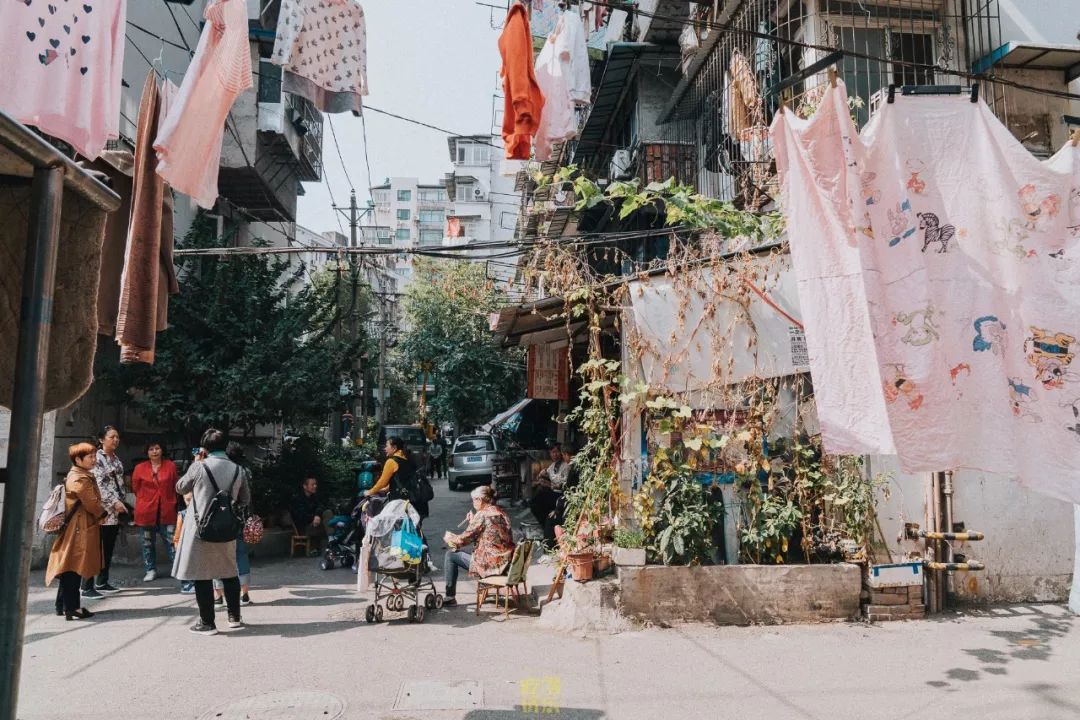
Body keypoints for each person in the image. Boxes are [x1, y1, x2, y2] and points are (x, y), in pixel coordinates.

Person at [173, 428, 251, 636]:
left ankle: (207, 623)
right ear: (225, 446)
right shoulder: (237, 470)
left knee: (202, 575)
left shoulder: (199, 467)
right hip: (226, 528)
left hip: (200, 529)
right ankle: (234, 617)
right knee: (229, 572)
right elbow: (245, 500)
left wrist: (195, 462)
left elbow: (180, 487)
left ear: (205, 448)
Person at [47, 443, 107, 620]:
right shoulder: (79, 479)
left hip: (78, 526)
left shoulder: (80, 475)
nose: (94, 460)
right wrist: (102, 514)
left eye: (94, 456)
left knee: (68, 565)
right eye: (90, 457)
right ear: (78, 459)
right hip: (79, 528)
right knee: (73, 567)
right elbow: (91, 502)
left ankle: (62, 605)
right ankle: (72, 608)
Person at [442, 485, 514, 607]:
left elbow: (465, 538)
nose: (473, 502)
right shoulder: (501, 512)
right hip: (506, 561)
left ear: (480, 500)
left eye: (474, 499)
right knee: (457, 552)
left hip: (489, 564)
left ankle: (450, 597)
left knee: (450, 555)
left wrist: (450, 538)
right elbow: (488, 533)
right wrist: (473, 521)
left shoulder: (482, 515)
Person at [82, 426, 127, 599]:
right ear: (101, 439)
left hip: (115, 512)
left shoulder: (115, 458)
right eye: (111, 437)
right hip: (102, 510)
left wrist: (121, 502)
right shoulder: (97, 458)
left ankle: (102, 581)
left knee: (107, 548)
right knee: (95, 548)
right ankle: (86, 586)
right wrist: (114, 502)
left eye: (117, 437)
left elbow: (119, 482)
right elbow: (99, 484)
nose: (115, 440)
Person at [131, 439, 178, 582]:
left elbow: (175, 486)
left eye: (157, 448)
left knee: (172, 541)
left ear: (162, 450)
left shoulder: (170, 466)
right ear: (147, 452)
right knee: (147, 542)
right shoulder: (140, 468)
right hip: (146, 511)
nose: (155, 451)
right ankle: (150, 570)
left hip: (167, 509)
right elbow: (135, 488)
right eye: (151, 449)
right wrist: (147, 499)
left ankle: (178, 569)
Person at [215, 442, 253, 606]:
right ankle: (244, 595)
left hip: (219, 519)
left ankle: (218, 597)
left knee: (217, 556)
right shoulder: (245, 471)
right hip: (240, 519)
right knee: (241, 555)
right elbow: (247, 498)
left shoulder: (220, 470)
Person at [366, 436, 428, 526]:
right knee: (413, 529)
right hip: (415, 501)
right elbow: (402, 479)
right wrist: (387, 489)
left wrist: (370, 492)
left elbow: (383, 482)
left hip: (400, 502)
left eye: (387, 446)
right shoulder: (407, 459)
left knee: (399, 528)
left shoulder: (391, 462)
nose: (385, 448)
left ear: (394, 448)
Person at [529, 444, 568, 536]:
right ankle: (546, 525)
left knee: (540, 498)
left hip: (561, 495)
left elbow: (564, 485)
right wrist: (541, 477)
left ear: (561, 453)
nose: (555, 455)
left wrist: (549, 485)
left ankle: (548, 526)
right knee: (535, 501)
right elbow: (546, 473)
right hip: (552, 493)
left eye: (556, 452)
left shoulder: (565, 466)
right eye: (552, 452)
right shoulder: (553, 465)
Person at [290, 476, 326, 556]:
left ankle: (331, 541)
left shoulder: (314, 497)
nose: (315, 486)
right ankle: (328, 543)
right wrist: (314, 518)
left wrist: (317, 515)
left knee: (327, 513)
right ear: (305, 486)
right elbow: (300, 516)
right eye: (312, 484)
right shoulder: (297, 499)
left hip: (314, 523)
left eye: (315, 484)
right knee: (321, 524)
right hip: (303, 526)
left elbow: (321, 507)